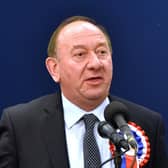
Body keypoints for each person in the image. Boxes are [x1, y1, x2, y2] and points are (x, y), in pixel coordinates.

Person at [0, 16, 167, 168]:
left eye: (102, 52)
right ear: (54, 69)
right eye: (80, 54)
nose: (95, 64)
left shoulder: (147, 124)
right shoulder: (20, 126)